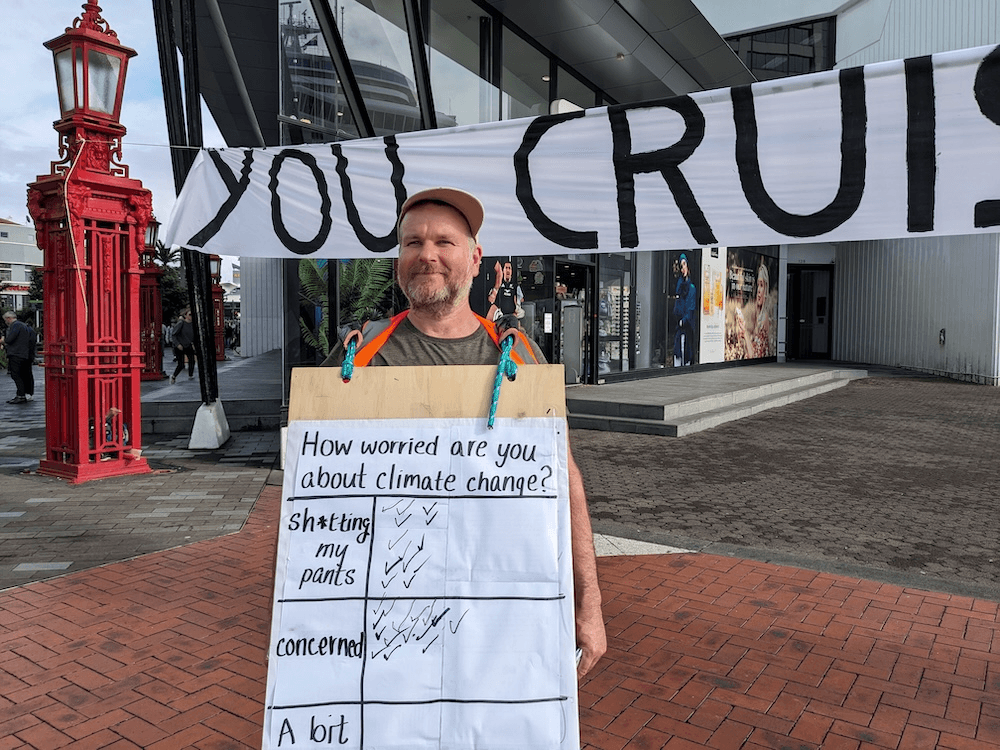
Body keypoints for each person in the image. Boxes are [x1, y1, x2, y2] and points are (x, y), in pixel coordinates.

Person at [323, 187, 607, 676]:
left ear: (475, 259)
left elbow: (564, 480)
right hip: (386, 612)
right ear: (397, 261)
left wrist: (590, 600)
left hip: (498, 610)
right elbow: (315, 491)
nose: (426, 255)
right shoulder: (358, 356)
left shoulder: (517, 359)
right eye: (412, 243)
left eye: (444, 242)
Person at [1, 311, 34, 404]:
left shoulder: (15, 326)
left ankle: (21, 396)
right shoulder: (24, 326)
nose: (5, 322)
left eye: (5, 320)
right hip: (24, 354)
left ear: (8, 318)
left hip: (16, 354)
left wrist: (3, 340)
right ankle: (24, 394)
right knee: (23, 374)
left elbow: (10, 339)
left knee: (16, 375)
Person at [673, 253, 697, 367]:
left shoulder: (691, 288)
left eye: (684, 265)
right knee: (678, 354)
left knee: (685, 353)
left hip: (686, 326)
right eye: (681, 266)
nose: (683, 268)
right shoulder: (679, 285)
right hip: (679, 325)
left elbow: (690, 308)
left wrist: (684, 320)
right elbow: (677, 306)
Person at [170, 308, 197, 384]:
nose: (191, 317)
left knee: (192, 360)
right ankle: (173, 376)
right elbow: (173, 335)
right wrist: (177, 344)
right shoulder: (181, 323)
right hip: (180, 346)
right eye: (190, 315)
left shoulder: (193, 325)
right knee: (181, 364)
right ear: (185, 315)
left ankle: (190, 375)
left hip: (188, 345)